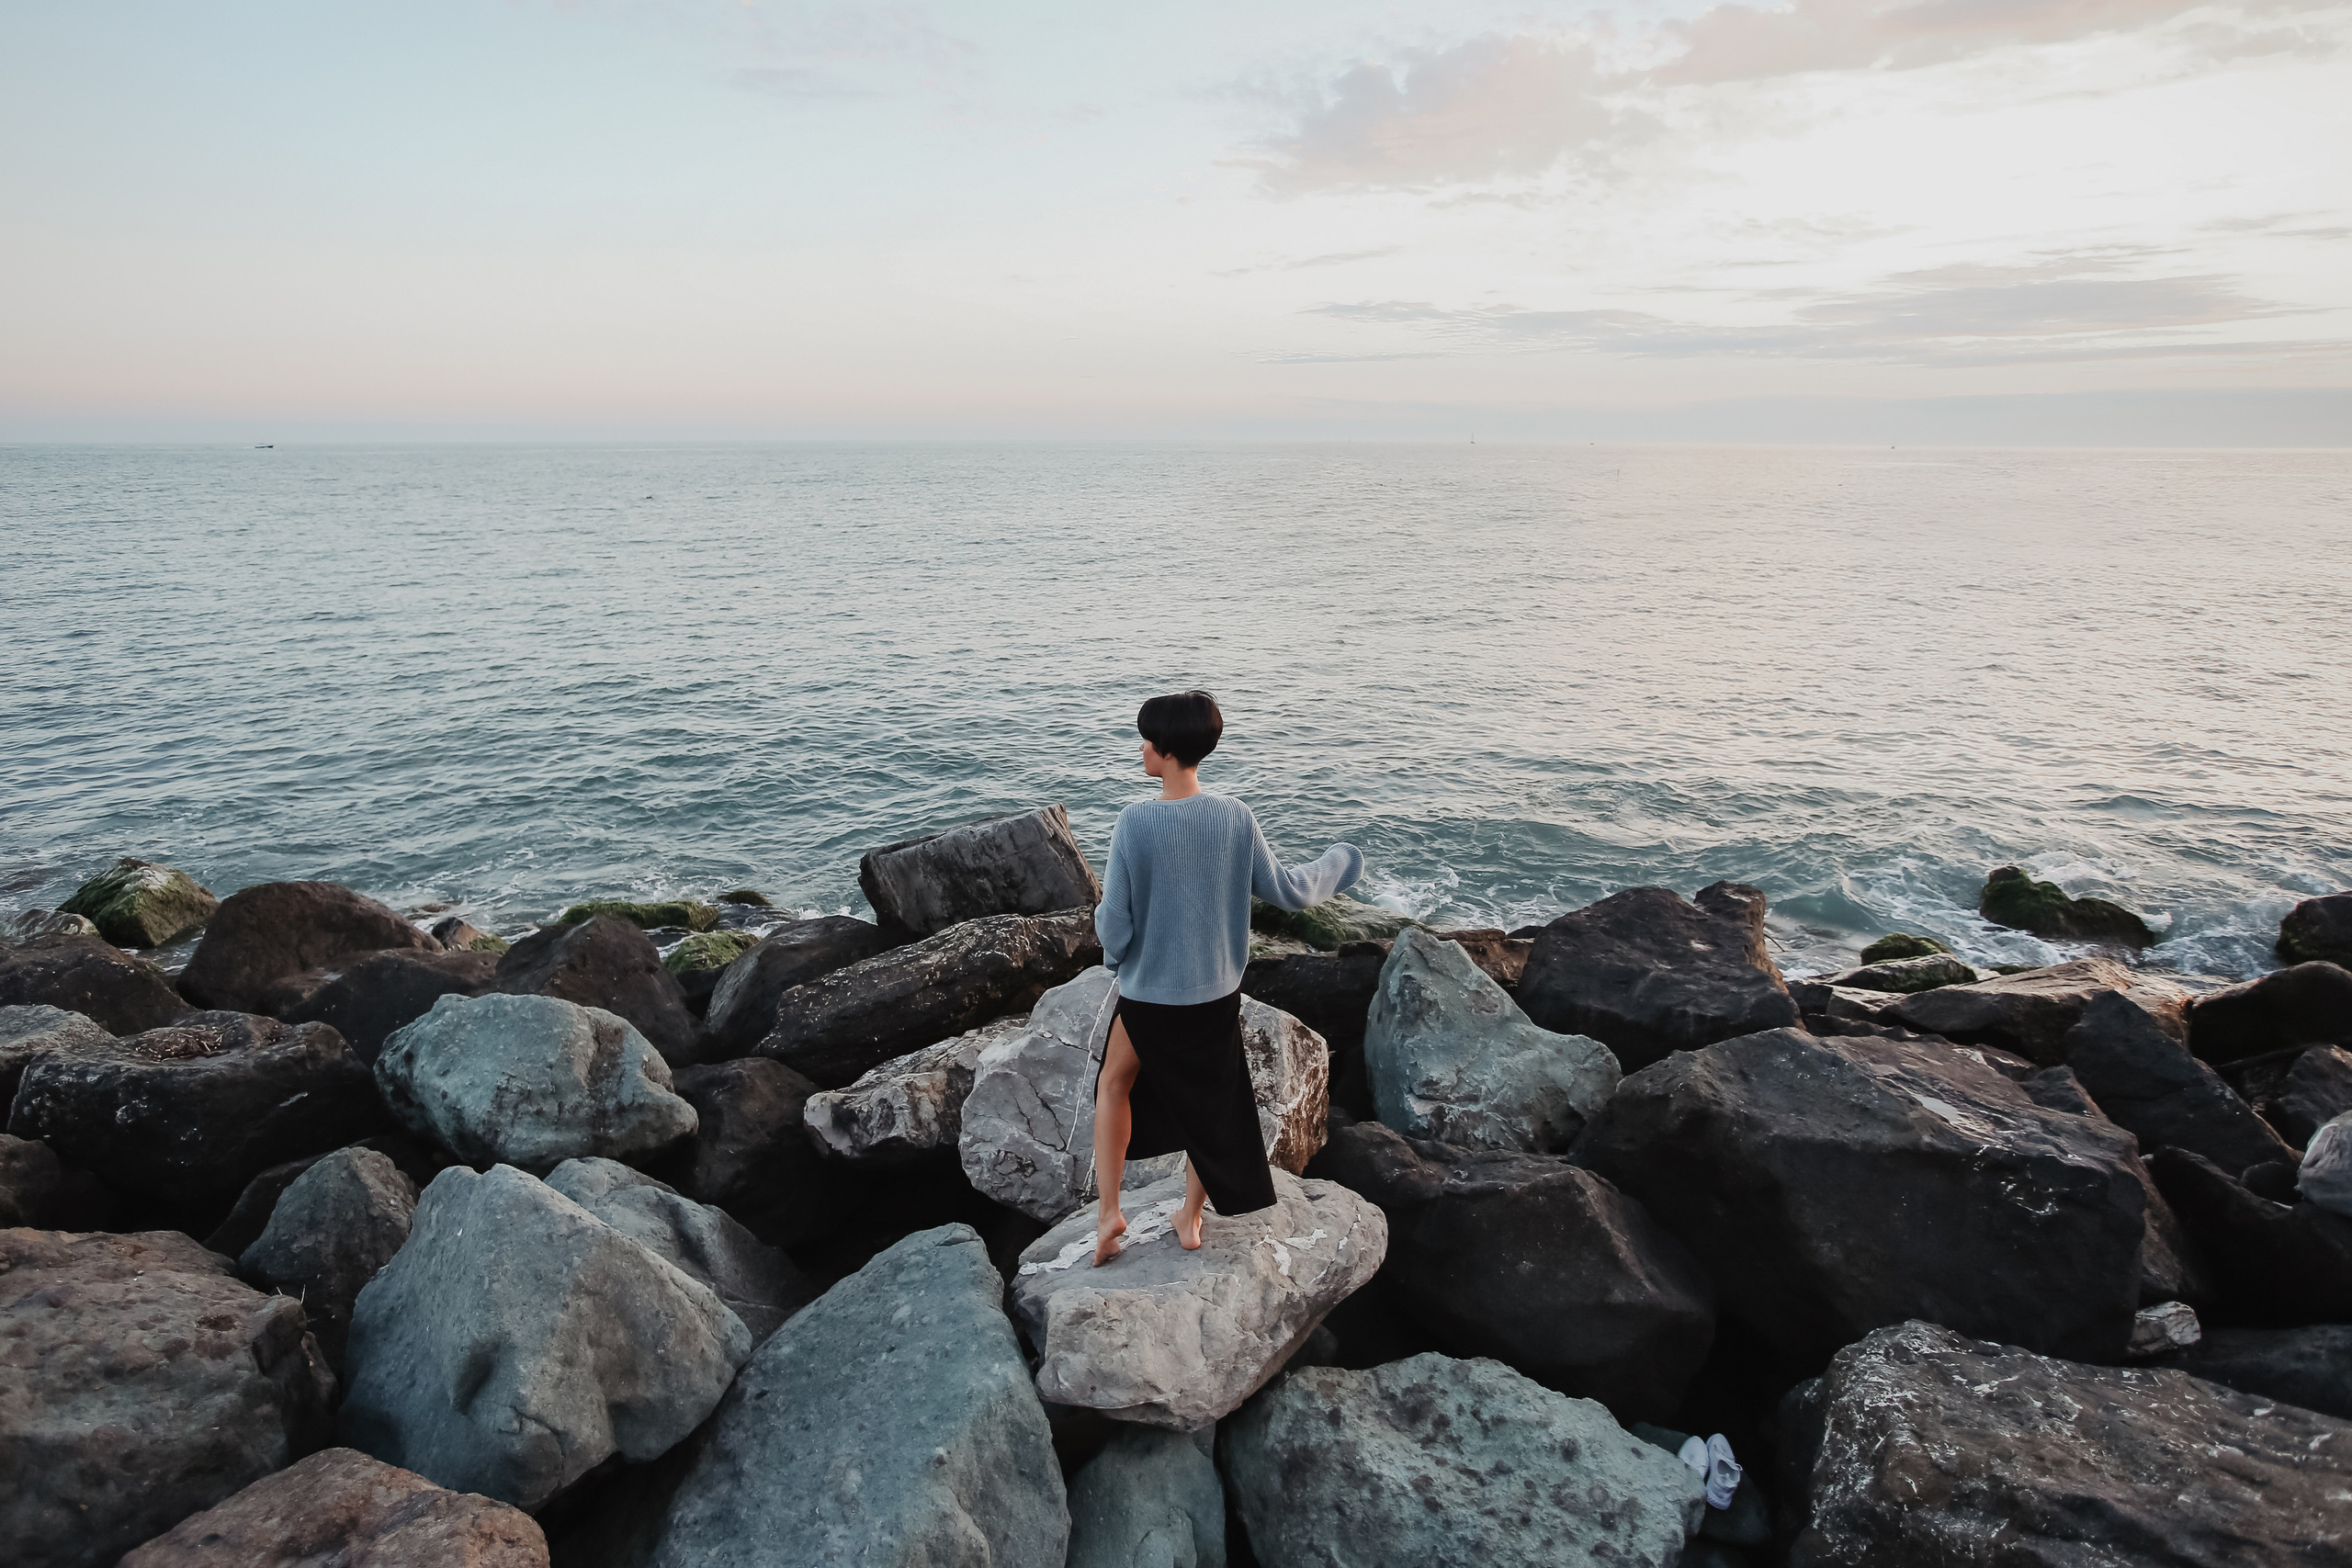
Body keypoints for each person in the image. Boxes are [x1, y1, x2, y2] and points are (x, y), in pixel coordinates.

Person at [1090, 690, 1363, 1266]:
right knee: (1209, 1105)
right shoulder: (1234, 817)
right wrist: (1342, 861)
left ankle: (1109, 1212)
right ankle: (1190, 1216)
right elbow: (1290, 890)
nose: (1140, 748)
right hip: (1215, 996)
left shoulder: (1134, 822)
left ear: (1164, 751)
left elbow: (1115, 920)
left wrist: (1115, 960)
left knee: (1114, 1085)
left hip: (1148, 997)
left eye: (1146, 739)